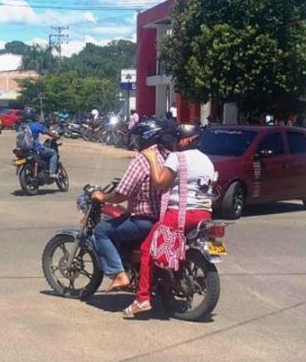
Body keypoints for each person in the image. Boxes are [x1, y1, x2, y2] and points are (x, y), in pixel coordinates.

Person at [123, 124, 217, 317]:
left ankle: (142, 299)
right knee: (170, 243)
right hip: (204, 213)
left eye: (176, 139)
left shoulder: (177, 157)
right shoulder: (207, 160)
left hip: (181, 213)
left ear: (184, 141)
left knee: (147, 249)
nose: (173, 143)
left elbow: (159, 183)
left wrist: (150, 159)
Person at [90, 118, 174, 293]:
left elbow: (121, 194)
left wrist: (102, 196)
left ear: (146, 137)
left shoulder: (142, 160)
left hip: (144, 220)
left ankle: (118, 274)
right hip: (164, 217)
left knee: (101, 230)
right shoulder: (168, 156)